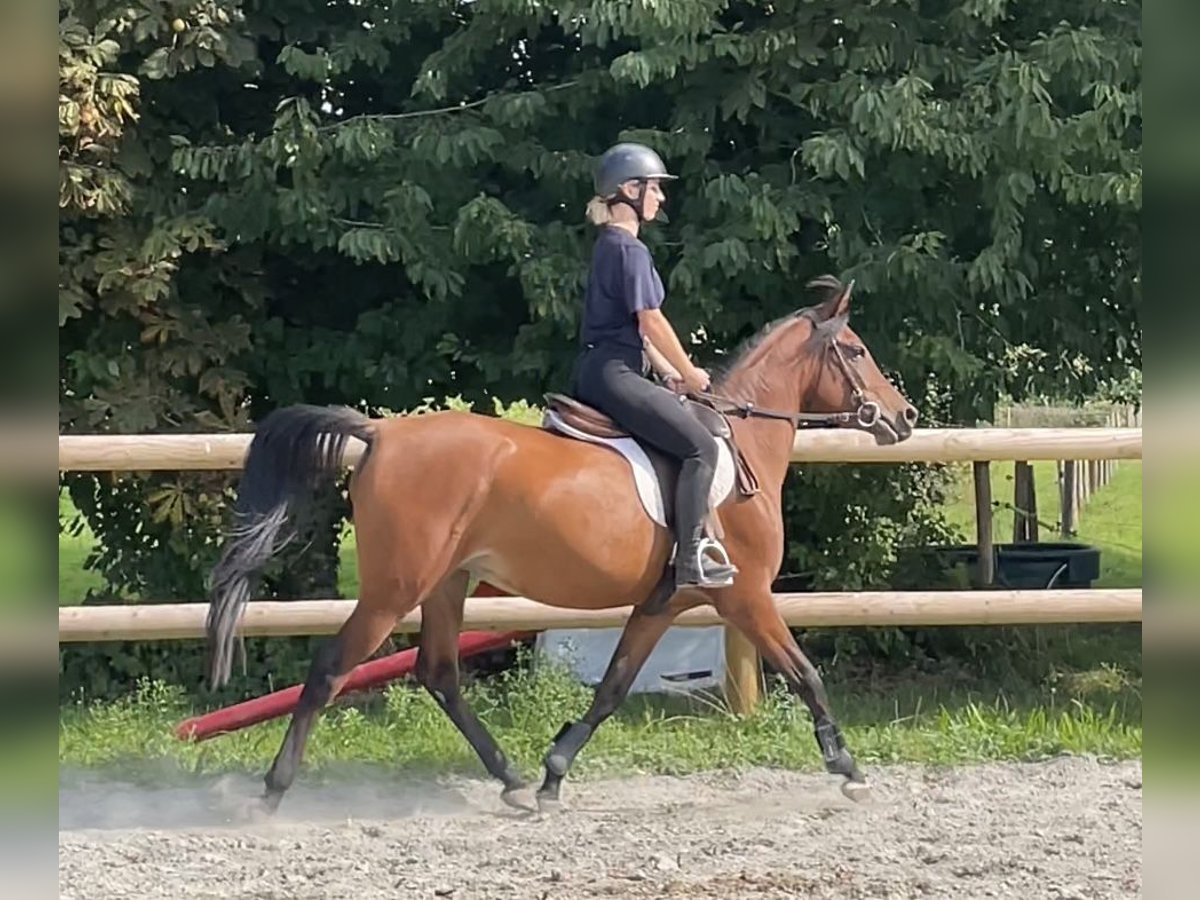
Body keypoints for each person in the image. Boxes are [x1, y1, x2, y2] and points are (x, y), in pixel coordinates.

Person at [570, 142, 738, 590]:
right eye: (655, 189)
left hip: (605, 368)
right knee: (701, 447)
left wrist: (667, 373)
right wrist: (690, 371)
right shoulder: (629, 250)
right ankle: (691, 558)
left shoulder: (611, 246)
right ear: (629, 189)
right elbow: (651, 320)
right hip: (615, 373)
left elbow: (639, 331)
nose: (662, 198)